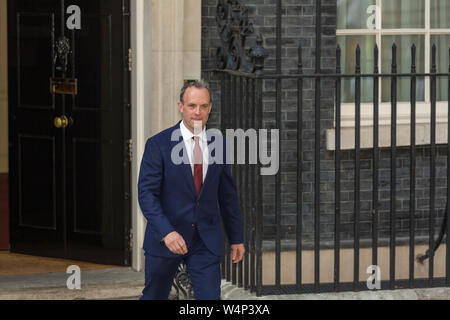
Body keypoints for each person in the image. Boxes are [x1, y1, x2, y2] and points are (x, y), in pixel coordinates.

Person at [138, 80, 245, 300]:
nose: (198, 112)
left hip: (205, 240)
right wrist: (167, 232)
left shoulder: (219, 144)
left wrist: (236, 237)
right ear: (181, 106)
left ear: (210, 108)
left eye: (203, 106)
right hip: (167, 238)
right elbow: (147, 194)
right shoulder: (158, 144)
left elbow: (227, 195)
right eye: (192, 106)